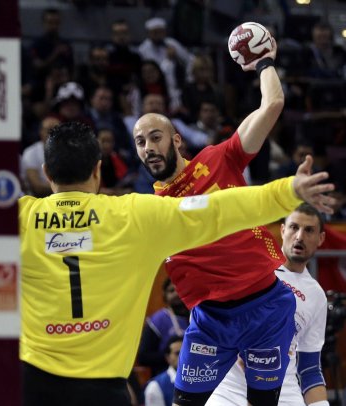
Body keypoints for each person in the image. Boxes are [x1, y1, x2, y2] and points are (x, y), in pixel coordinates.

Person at [0, 121, 335, 406]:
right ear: (99, 171)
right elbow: (220, 207)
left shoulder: (17, 218)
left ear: (45, 174)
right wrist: (288, 189)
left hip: (29, 386)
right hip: (100, 392)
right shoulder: (136, 216)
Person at [132, 37, 306, 405]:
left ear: (176, 140)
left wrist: (264, 63)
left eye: (155, 137)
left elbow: (272, 104)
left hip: (267, 308)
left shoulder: (217, 159)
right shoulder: (149, 211)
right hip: (210, 322)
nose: (148, 147)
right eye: (139, 142)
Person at [207, 203, 329, 406]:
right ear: (282, 230)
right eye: (294, 227)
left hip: (283, 392)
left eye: (309, 230)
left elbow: (309, 368)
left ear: (321, 239)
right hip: (231, 388)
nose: (299, 237)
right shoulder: (253, 267)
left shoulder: (316, 295)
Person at [137, 279, 189, 377]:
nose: (176, 293)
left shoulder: (198, 317)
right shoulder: (157, 320)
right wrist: (172, 355)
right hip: (166, 377)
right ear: (165, 295)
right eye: (171, 290)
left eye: (180, 289)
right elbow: (143, 357)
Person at [144, 336, 183, 406]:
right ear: (168, 358)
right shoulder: (155, 386)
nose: (183, 356)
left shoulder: (200, 379)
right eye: (177, 353)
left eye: (186, 353)